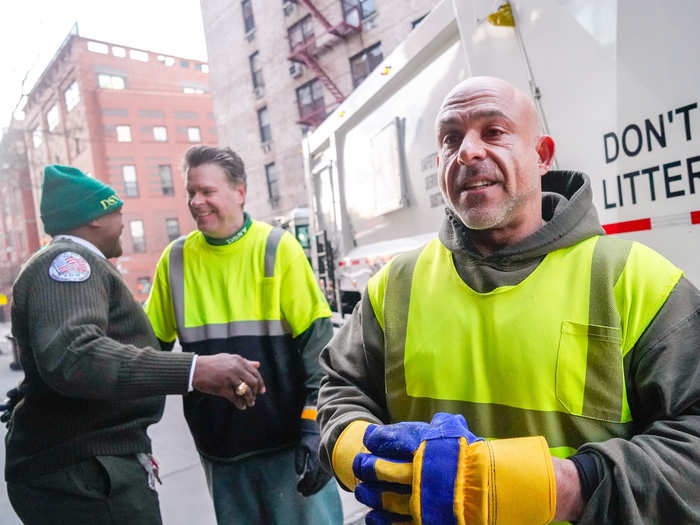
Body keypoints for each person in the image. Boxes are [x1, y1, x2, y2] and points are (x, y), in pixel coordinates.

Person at [317, 77, 700, 524]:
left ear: (541, 156)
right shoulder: (396, 284)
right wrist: (362, 454)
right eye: (450, 139)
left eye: (493, 131)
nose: (468, 152)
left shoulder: (635, 279)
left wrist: (565, 488)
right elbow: (340, 387)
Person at [4, 165, 265, 525]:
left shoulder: (75, 264)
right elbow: (74, 355)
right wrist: (195, 369)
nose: (124, 220)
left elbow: (60, 355)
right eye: (117, 210)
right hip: (87, 474)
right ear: (94, 218)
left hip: (89, 468)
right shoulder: (68, 262)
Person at [145, 145, 343, 524]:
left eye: (207, 191)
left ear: (239, 192)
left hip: (289, 449)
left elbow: (321, 352)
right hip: (221, 453)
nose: (196, 202)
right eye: (190, 192)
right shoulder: (175, 261)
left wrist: (314, 426)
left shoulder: (277, 249)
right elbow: (147, 355)